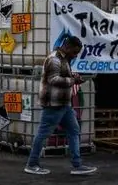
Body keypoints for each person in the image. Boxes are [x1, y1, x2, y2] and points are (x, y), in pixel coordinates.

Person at [25, 36, 96, 176]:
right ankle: (32, 164)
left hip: (63, 104)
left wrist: (74, 78)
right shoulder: (54, 59)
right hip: (54, 104)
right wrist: (72, 80)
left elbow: (62, 76)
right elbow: (53, 79)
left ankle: (77, 165)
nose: (75, 55)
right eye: (75, 52)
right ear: (67, 47)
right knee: (43, 134)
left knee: (74, 130)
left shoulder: (63, 59)